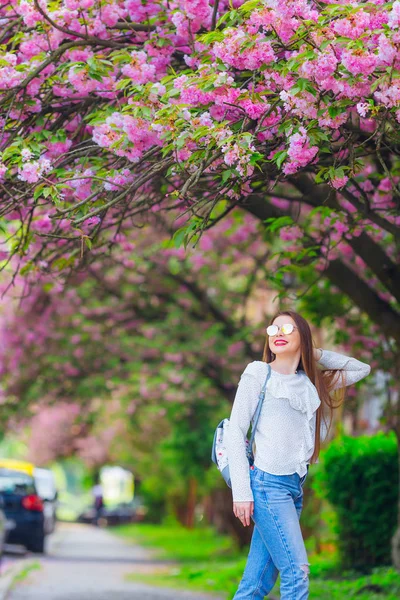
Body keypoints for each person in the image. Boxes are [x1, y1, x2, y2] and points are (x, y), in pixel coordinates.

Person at [227, 310, 371, 600]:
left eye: (287, 328)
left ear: (302, 336)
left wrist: (313, 352)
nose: (278, 333)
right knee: (296, 572)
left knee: (256, 584)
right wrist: (242, 492)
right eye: (273, 329)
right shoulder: (259, 373)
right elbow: (235, 430)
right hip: (267, 485)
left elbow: (360, 368)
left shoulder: (310, 384)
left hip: (293, 489)